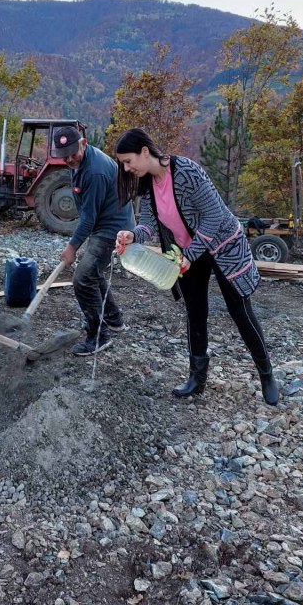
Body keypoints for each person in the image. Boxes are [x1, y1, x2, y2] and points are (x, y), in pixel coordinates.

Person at [114, 128, 279, 406]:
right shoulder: (148, 183)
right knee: (195, 311)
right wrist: (133, 235)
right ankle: (197, 378)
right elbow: (149, 224)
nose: (127, 168)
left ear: (145, 151)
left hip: (222, 245)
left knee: (239, 310)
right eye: (123, 164)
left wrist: (191, 253)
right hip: (188, 252)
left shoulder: (186, 172)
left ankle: (267, 375)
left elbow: (214, 216)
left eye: (128, 161)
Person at [52, 125, 135, 356]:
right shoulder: (79, 163)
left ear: (83, 143)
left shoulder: (95, 171)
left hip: (113, 228)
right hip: (103, 223)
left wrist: (72, 247)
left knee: (83, 278)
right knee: (92, 273)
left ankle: (98, 336)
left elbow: (88, 218)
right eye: (64, 156)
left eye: (73, 153)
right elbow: (88, 213)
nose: (69, 159)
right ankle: (114, 319)